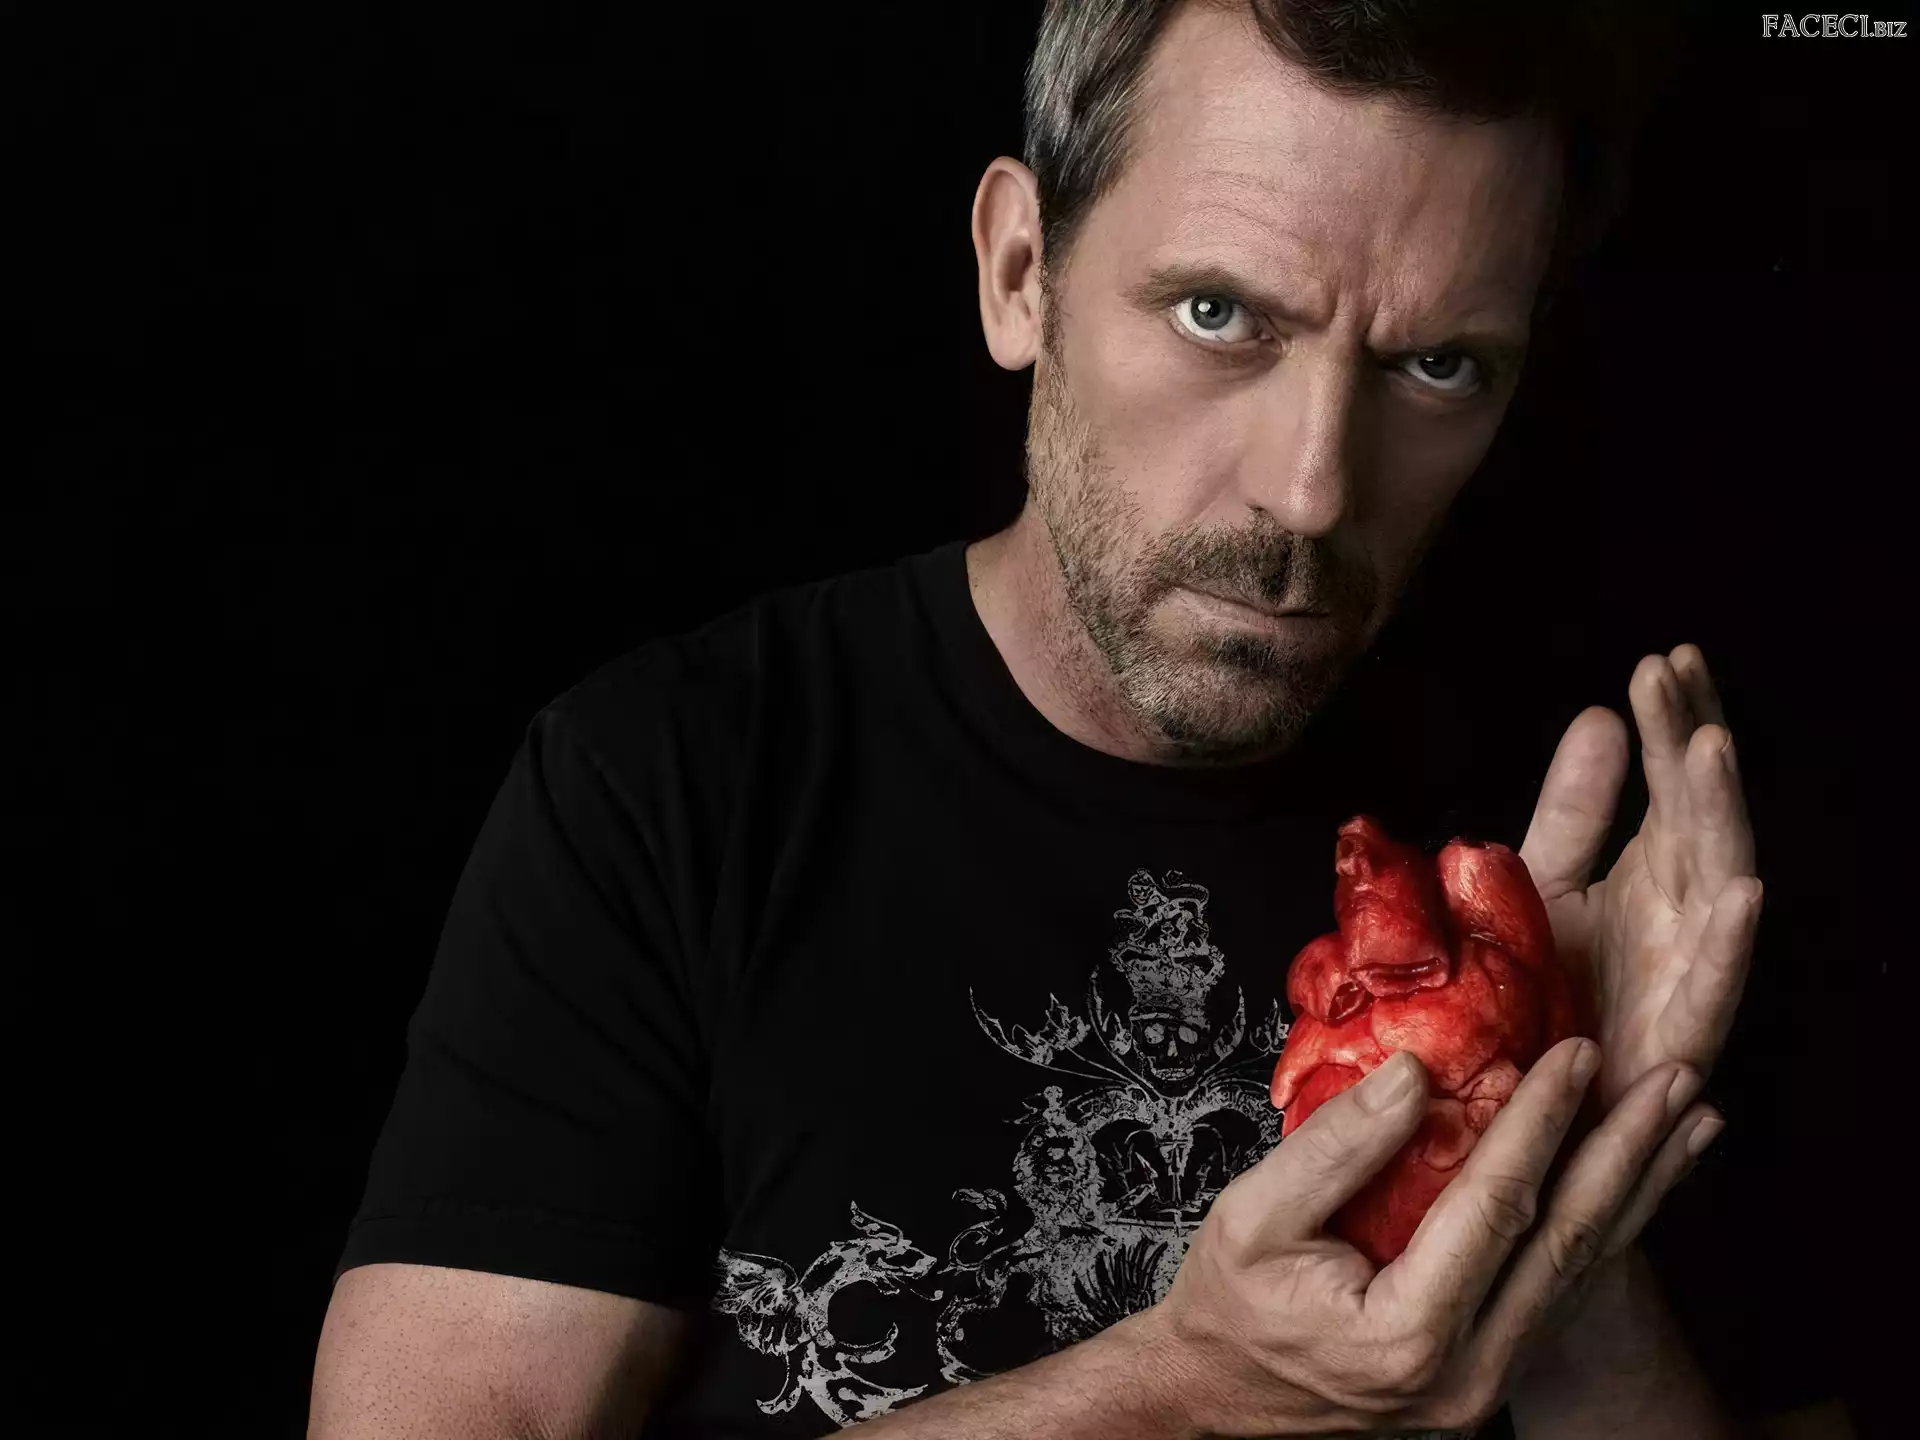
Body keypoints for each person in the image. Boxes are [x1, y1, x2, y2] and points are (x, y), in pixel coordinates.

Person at [308, 2, 1765, 1436]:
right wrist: (1180, 1388)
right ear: (1020, 273)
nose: (1312, 490)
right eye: (1218, 315)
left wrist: (1572, 1198)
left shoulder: (1599, 881)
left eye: (1437, 364)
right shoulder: (675, 785)